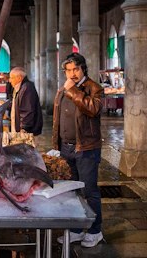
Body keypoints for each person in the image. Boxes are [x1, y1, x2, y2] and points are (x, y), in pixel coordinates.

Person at [52, 53, 104, 248]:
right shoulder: (63, 90)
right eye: (68, 70)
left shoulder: (94, 88)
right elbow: (58, 119)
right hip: (67, 148)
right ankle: (75, 230)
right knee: (71, 191)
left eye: (75, 69)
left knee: (89, 191)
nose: (72, 73)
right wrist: (56, 145)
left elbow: (92, 108)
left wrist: (73, 90)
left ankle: (95, 230)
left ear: (83, 69)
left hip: (86, 149)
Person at [9, 67, 43, 136]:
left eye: (12, 78)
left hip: (27, 132)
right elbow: (19, 105)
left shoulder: (27, 88)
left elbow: (28, 110)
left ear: (19, 78)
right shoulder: (20, 87)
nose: (10, 80)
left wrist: (24, 128)